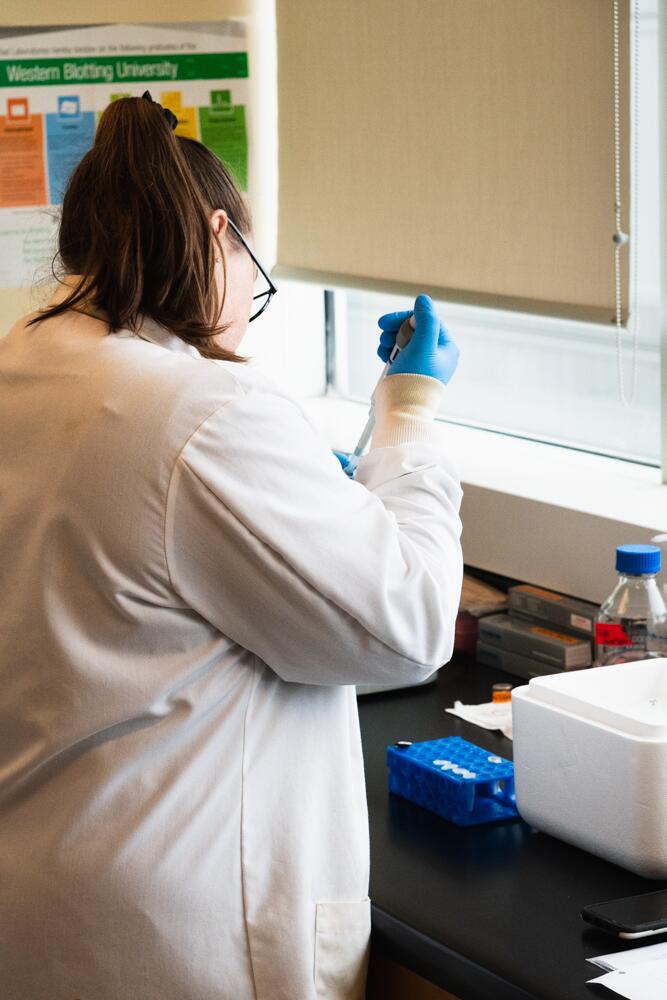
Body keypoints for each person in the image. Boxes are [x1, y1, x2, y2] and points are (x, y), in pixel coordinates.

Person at [0, 94, 463, 1000]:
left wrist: (313, 485)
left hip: (42, 892)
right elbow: (407, 625)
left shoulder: (24, 365)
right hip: (180, 934)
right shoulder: (199, 413)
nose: (247, 313)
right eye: (254, 274)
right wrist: (408, 418)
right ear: (219, 234)